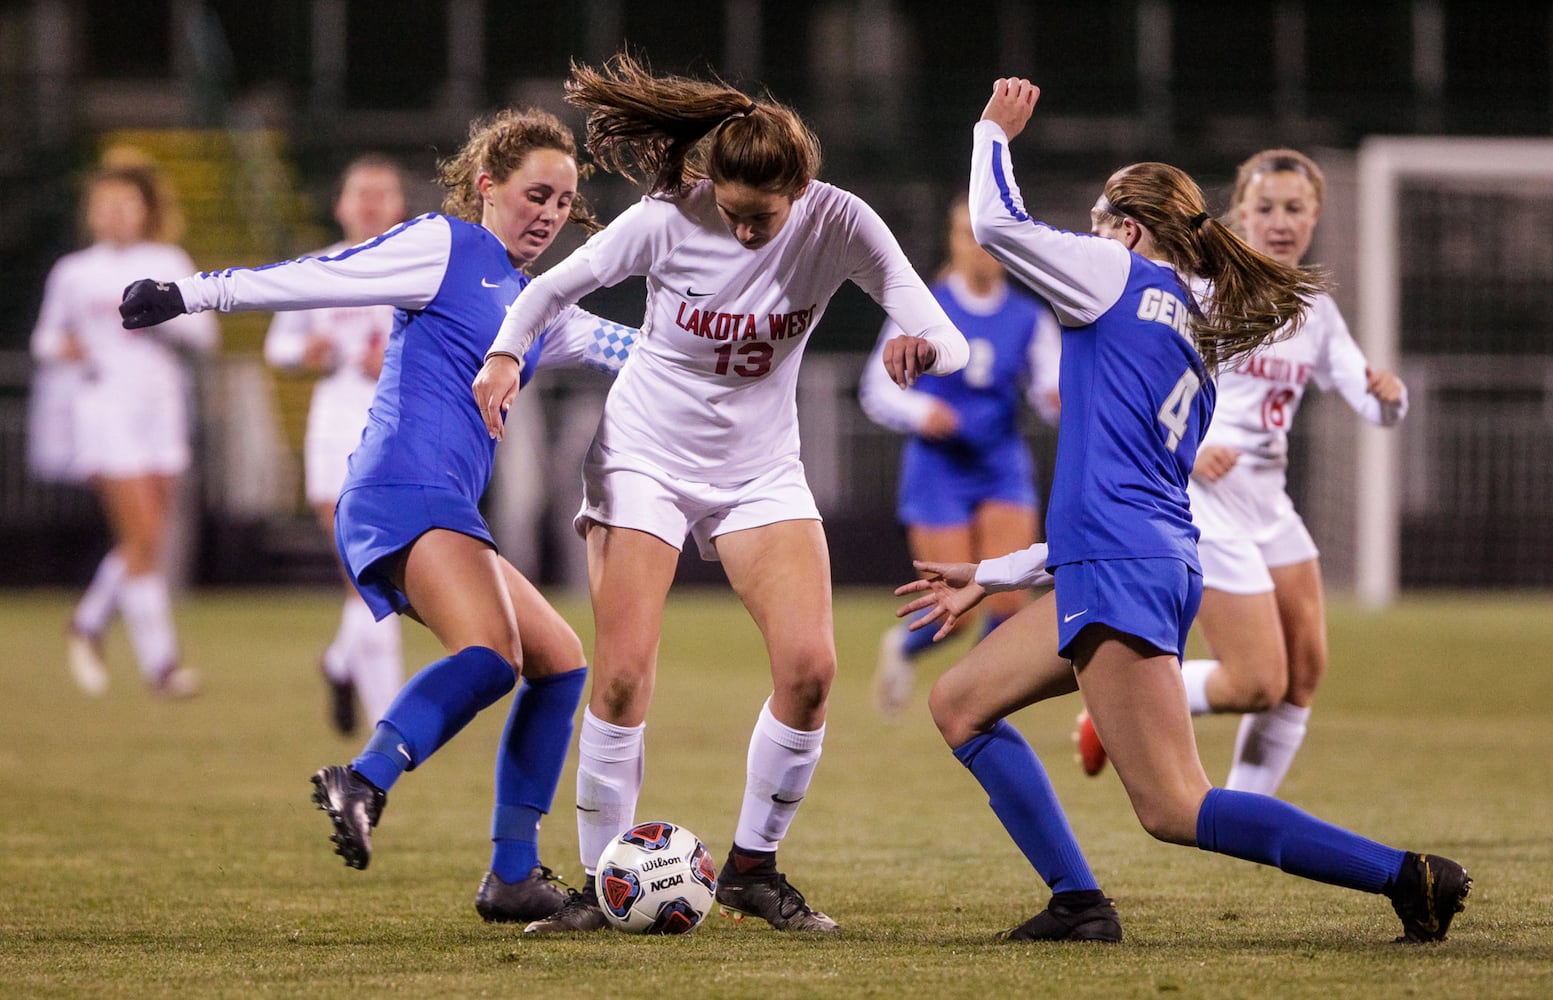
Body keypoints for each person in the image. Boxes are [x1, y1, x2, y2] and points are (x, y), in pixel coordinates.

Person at [893, 78, 1469, 945]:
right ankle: (1077, 903)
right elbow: (1118, 495)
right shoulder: (1194, 344)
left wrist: (990, 132)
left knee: (1173, 806)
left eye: (1095, 223)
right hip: (1135, 560)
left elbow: (998, 225)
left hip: (1123, 569)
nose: (1083, 240)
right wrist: (994, 573)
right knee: (961, 703)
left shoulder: (1116, 273)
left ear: (1127, 229)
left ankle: (1407, 877)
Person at [473, 51, 969, 934]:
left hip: (760, 468)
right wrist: (506, 355)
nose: (743, 231)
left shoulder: (841, 222)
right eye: (732, 214)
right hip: (644, 457)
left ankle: (752, 869)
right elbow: (550, 289)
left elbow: (935, 323)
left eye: (760, 218)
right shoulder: (667, 217)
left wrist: (924, 346)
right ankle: (602, 887)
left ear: (801, 190)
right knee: (622, 675)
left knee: (811, 672)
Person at [120, 108, 639, 925]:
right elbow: (315, 275)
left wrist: (743, 346)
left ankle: (512, 876)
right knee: (493, 654)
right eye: (535, 193)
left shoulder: (537, 302)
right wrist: (187, 293)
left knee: (559, 660)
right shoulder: (443, 246)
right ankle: (362, 778)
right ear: (487, 186)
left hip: (439, 502)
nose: (549, 213)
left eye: (564, 202)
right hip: (401, 489)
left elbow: (636, 351)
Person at [1075, 149, 1409, 793]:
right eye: (1265, 207)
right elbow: (1139, 382)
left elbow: (1367, 398)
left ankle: (1247, 809)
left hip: (1269, 504)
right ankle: (1111, 714)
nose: (1280, 221)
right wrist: (1190, 451)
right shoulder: (1197, 291)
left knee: (1302, 673)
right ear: (1239, 214)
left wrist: (1390, 399)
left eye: (1295, 208)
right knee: (1256, 680)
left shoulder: (1311, 309)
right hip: (1204, 499)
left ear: (1314, 216)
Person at [859, 194, 1061, 715]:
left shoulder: (1029, 318)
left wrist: (1057, 399)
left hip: (1000, 465)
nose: (979, 249)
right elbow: (876, 390)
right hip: (938, 470)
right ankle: (901, 650)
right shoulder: (925, 307)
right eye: (966, 236)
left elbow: (1048, 390)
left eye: (986, 237)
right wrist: (920, 411)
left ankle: (977, 697)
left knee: (1010, 599)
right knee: (959, 612)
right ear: (953, 242)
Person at [31, 157, 218, 698]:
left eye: (125, 204)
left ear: (144, 212)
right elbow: (45, 339)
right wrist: (66, 348)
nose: (114, 214)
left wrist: (166, 320)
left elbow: (202, 335)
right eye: (104, 205)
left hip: (159, 406)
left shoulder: (166, 260)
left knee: (146, 537)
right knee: (144, 535)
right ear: (91, 214)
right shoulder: (73, 272)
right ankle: (162, 665)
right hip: (104, 408)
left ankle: (88, 621)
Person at [263, 154, 412, 736]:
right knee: (363, 570)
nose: (371, 202)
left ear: (400, 206)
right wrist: (310, 352)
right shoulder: (318, 268)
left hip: (397, 432)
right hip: (334, 428)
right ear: (340, 205)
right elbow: (279, 346)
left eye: (383, 192)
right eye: (361, 192)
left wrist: (398, 358)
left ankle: (345, 664)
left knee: (383, 574)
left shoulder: (416, 266)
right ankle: (392, 725)